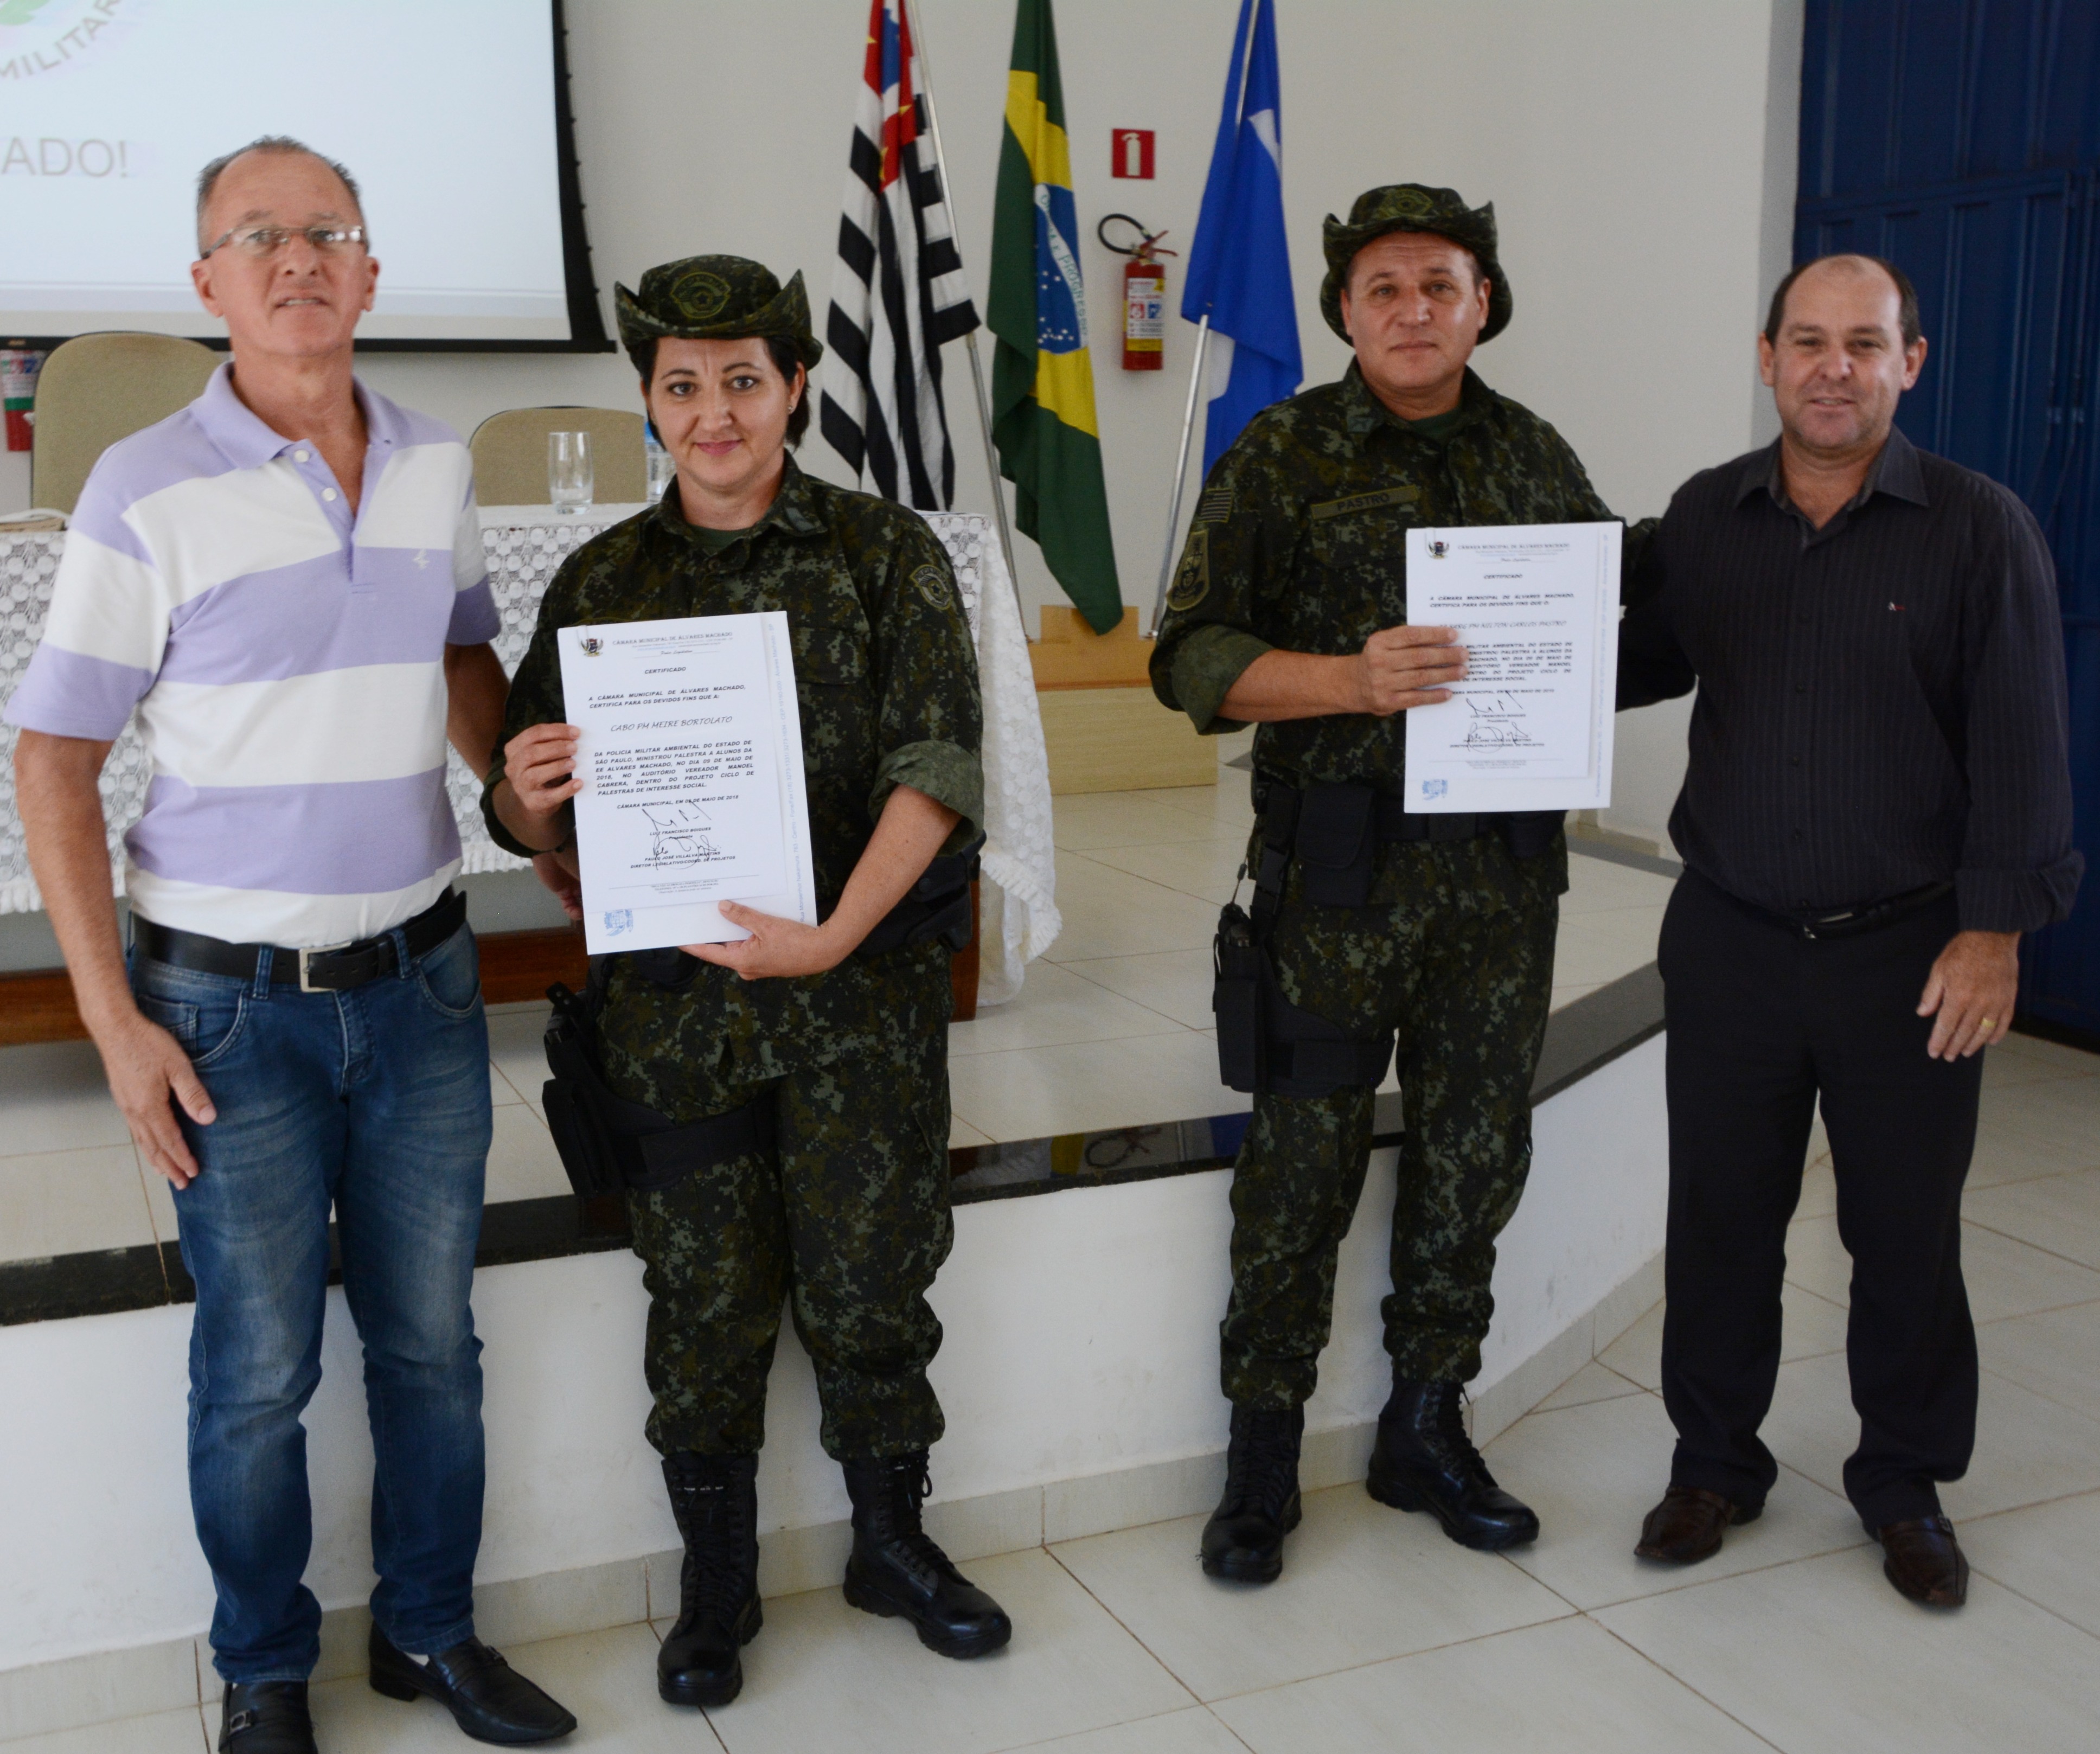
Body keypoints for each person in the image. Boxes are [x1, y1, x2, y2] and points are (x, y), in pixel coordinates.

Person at [4, 139, 576, 1752]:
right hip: (225, 1015)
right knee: (255, 1372)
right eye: (257, 235)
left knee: (431, 1349)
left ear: (371, 269)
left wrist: (534, 820)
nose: (297, 256)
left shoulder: (434, 463)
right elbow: (53, 763)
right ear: (207, 283)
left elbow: (461, 664)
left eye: (327, 229)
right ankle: (263, 1669)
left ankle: (431, 1632)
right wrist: (114, 1025)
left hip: (425, 989)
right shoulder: (143, 487)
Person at [484, 255, 1007, 1711]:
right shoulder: (604, 582)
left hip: (860, 1005)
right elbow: (530, 818)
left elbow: (938, 767)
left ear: (793, 388)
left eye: (742, 380)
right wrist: (529, 796)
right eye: (682, 385)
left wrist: (832, 935)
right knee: (704, 1300)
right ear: (650, 404)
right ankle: (717, 1582)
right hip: (675, 1021)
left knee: (873, 1278)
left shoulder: (884, 553)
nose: (713, 412)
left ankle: (892, 1543)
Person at [1151, 184, 1647, 1582]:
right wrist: (1346, 680)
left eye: (1440, 284)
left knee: (1471, 1160)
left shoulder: (1534, 455)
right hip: (1335, 884)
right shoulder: (1283, 451)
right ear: (1344, 313)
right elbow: (1187, 658)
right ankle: (1261, 1458)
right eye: (1383, 288)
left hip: (1498, 887)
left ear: (1482, 306)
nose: (1413, 309)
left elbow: (1601, 625)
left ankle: (1425, 1426)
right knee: (1297, 1173)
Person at [1617, 253, 2081, 1608]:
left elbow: (2023, 746)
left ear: (1908, 365)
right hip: (1731, 939)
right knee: (1720, 1221)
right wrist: (1491, 647)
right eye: (1808, 341)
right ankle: (1712, 1463)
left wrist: (1994, 934)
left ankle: (1903, 1483)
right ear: (1766, 358)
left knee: (1904, 1233)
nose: (1834, 368)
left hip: (1912, 954)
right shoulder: (1705, 517)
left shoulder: (1979, 529)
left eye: (1863, 344)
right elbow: (1636, 661)